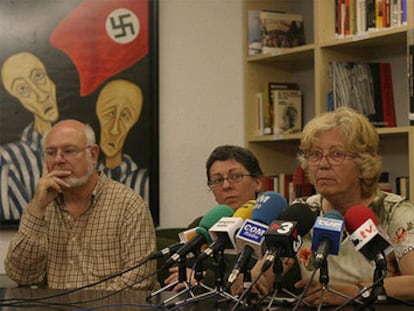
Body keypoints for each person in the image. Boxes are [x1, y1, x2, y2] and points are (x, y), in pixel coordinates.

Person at [250, 107, 414, 306]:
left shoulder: (394, 212)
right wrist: (260, 278)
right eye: (315, 154)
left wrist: (352, 293)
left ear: (363, 163)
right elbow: (270, 272)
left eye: (336, 154)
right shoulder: (304, 212)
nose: (323, 164)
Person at [4, 120, 158, 291]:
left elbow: (140, 278)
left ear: (93, 154)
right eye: (51, 152)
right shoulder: (42, 206)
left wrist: (88, 305)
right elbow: (21, 275)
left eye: (69, 151)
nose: (58, 160)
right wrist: (36, 208)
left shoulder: (128, 205)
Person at [164, 145, 264, 291]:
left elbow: (259, 282)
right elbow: (178, 272)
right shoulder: (202, 225)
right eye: (217, 180)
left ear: (258, 182)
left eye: (236, 177)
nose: (226, 185)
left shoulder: (271, 226)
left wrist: (205, 279)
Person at [0, 52, 59, 221]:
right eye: (23, 89)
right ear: (17, 101)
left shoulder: (83, 149)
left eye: (39, 77)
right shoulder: (7, 160)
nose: (41, 95)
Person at [95, 79, 149, 206]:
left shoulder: (143, 181)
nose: (114, 130)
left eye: (125, 116)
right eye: (110, 113)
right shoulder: (85, 181)